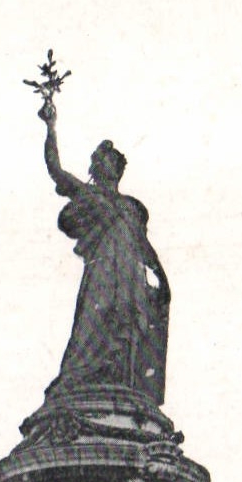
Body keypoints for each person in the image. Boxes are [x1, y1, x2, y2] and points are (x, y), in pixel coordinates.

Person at [39, 97, 171, 404]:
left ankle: (119, 383)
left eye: (109, 161)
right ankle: (83, 379)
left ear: (117, 169)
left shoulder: (130, 207)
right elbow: (56, 170)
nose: (104, 165)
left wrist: (162, 277)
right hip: (102, 270)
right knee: (93, 323)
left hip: (130, 276)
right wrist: (50, 126)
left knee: (127, 328)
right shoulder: (90, 194)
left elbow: (144, 246)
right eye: (101, 160)